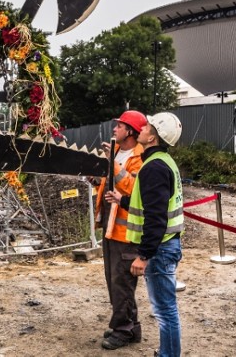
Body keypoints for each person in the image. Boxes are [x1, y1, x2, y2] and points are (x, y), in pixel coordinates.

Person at [106, 112, 184, 357]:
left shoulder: (154, 167)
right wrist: (124, 200)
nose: (143, 128)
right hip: (166, 245)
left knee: (165, 310)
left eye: (148, 126)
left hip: (160, 249)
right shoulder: (162, 162)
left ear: (153, 137)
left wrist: (144, 255)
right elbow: (149, 203)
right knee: (165, 308)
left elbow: (156, 218)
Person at [94, 110, 147, 350]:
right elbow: (109, 183)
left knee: (122, 281)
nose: (115, 128)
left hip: (127, 231)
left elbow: (134, 189)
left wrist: (113, 165)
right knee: (114, 279)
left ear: (131, 132)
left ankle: (123, 330)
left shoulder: (140, 157)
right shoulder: (115, 153)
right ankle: (131, 326)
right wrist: (95, 178)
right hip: (111, 226)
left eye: (120, 125)